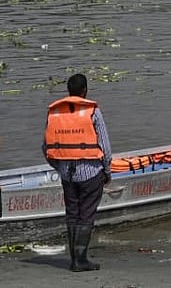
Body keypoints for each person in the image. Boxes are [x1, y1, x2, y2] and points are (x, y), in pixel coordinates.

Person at [43, 73, 112, 272]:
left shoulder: (55, 113)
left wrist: (59, 166)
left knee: (72, 214)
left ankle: (75, 259)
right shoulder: (93, 112)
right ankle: (80, 260)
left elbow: (45, 147)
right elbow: (105, 147)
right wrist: (107, 171)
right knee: (86, 215)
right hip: (91, 173)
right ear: (85, 91)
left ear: (68, 91)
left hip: (66, 174)